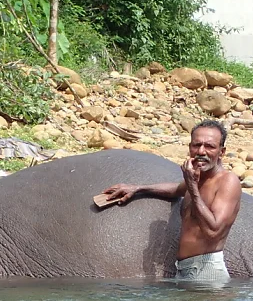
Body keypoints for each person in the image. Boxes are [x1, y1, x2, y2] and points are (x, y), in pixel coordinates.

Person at [103, 119, 242, 290]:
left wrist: (191, 186)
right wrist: (138, 188)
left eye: (209, 147)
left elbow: (213, 231)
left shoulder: (228, 181)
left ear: (221, 152)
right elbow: (176, 189)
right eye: (196, 145)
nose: (201, 151)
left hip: (207, 271)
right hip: (185, 270)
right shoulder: (199, 180)